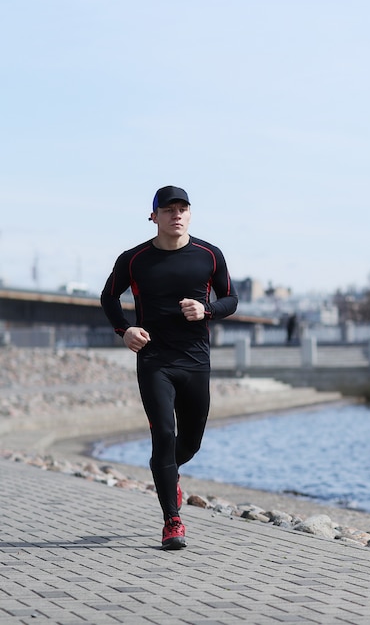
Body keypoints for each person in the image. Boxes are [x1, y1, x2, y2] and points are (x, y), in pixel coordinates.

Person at [100, 185, 238, 550]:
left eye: (183, 208)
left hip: (195, 361)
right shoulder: (134, 259)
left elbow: (231, 299)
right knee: (163, 435)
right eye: (168, 209)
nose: (176, 214)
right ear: (154, 216)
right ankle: (172, 521)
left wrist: (206, 309)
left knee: (189, 444)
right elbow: (109, 296)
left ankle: (167, 471)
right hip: (154, 360)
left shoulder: (209, 255)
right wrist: (124, 329)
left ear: (189, 214)